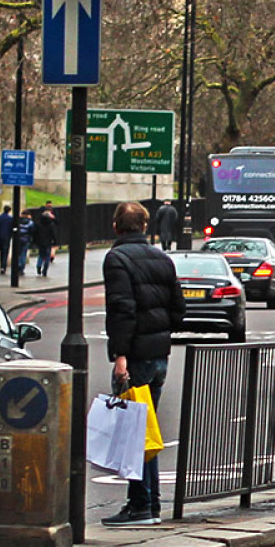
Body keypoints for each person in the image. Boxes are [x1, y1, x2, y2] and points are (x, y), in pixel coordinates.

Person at [101, 201, 185, 526]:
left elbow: (121, 310)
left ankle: (140, 506)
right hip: (159, 357)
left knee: (133, 433)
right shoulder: (163, 259)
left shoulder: (117, 259)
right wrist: (159, 330)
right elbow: (178, 311)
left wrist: (120, 358)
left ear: (115, 226)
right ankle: (150, 505)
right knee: (145, 431)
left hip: (134, 358)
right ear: (146, 226)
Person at [32, 203, 57, 276]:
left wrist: (34, 241)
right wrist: (55, 241)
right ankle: (45, 270)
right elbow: (53, 234)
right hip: (48, 242)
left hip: (40, 242)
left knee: (41, 255)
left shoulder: (38, 224)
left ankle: (39, 266)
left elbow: (35, 233)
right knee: (47, 257)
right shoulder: (51, 224)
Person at [13, 208, 33, 276]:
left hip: (18, 239)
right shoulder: (30, 222)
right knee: (23, 254)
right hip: (26, 239)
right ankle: (22, 268)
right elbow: (32, 231)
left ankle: (18, 265)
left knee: (18, 253)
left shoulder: (18, 220)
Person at [0, 204, 11, 274]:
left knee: (1, 252)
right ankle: (3, 267)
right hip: (7, 237)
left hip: (0, 236)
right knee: (5, 252)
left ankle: (2, 265)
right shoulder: (10, 218)